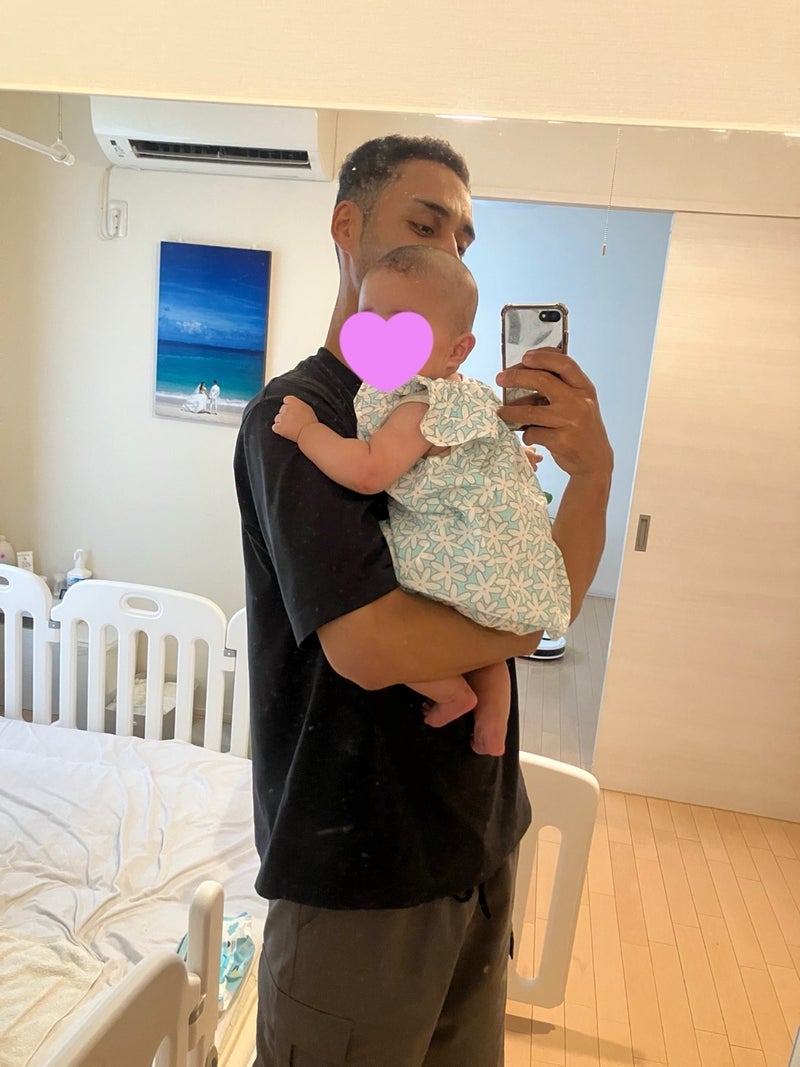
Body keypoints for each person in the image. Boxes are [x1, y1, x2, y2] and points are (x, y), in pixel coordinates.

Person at [234, 135, 612, 1067]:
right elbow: (370, 646)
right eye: (424, 223)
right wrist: (519, 621)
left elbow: (550, 589)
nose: (448, 249)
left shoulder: (459, 406)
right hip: (356, 873)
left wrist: (592, 472)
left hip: (479, 844)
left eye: (463, 239)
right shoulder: (302, 417)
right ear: (347, 227)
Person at [272, 245, 571, 759]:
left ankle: (451, 692)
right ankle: (493, 725)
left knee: (411, 613)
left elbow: (369, 471)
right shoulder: (473, 394)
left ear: (456, 351)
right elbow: (493, 444)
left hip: (459, 551)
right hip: (506, 559)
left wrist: (307, 432)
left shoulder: (418, 403)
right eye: (368, 319)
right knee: (484, 630)